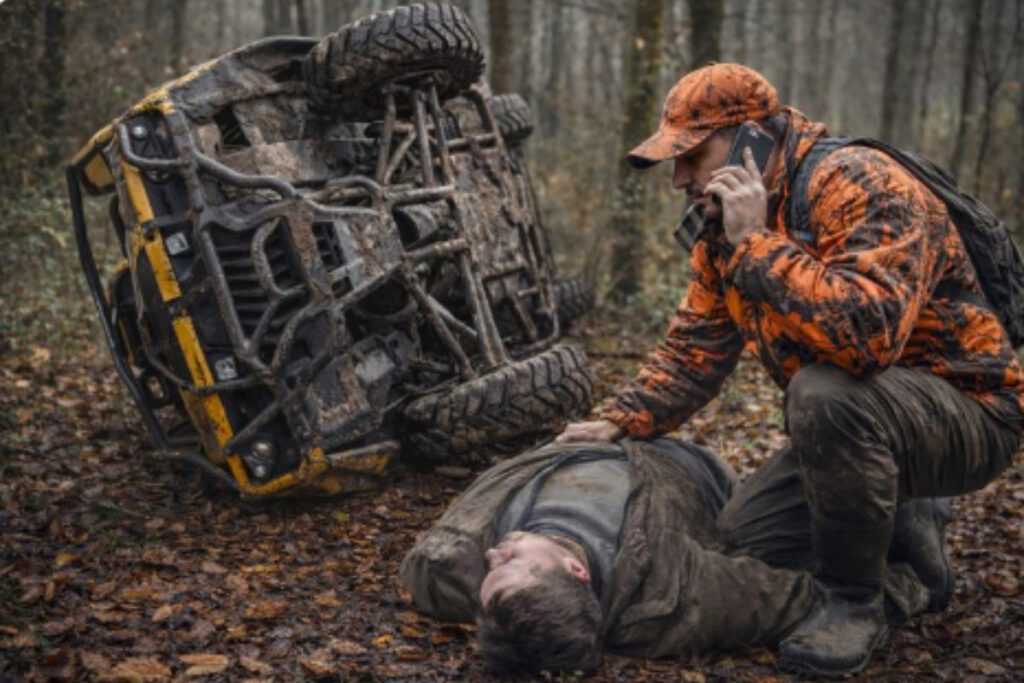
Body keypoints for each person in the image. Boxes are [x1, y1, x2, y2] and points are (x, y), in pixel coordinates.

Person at [557, 63, 1024, 676]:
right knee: (743, 544)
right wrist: (621, 421)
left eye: (693, 156)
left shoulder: (861, 183)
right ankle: (911, 558)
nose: (679, 179)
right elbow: (695, 348)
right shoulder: (720, 231)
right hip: (866, 422)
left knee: (824, 394)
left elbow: (866, 339)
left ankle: (853, 602)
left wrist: (756, 245)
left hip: (970, 412)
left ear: (753, 139)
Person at [399, 437, 950, 674]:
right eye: (508, 567)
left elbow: (427, 570)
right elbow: (806, 601)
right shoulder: (669, 600)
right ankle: (911, 492)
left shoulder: (445, 577)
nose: (494, 554)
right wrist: (912, 587)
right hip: (688, 469)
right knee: (832, 422)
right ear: (575, 571)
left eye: (492, 574)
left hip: (591, 435)